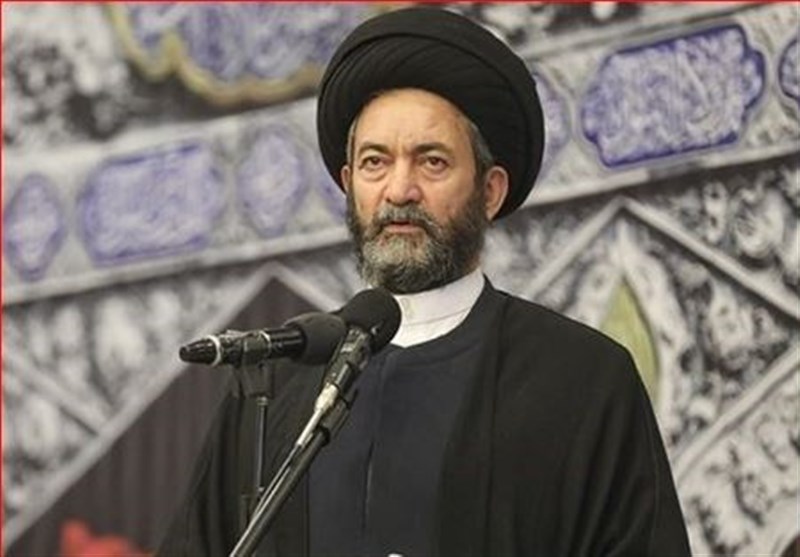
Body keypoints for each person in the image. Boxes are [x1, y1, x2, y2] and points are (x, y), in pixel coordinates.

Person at [158, 7, 691, 557]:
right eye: (375, 162)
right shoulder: (277, 384)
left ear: (490, 191)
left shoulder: (581, 379)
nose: (399, 190)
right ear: (348, 185)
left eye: (431, 162)